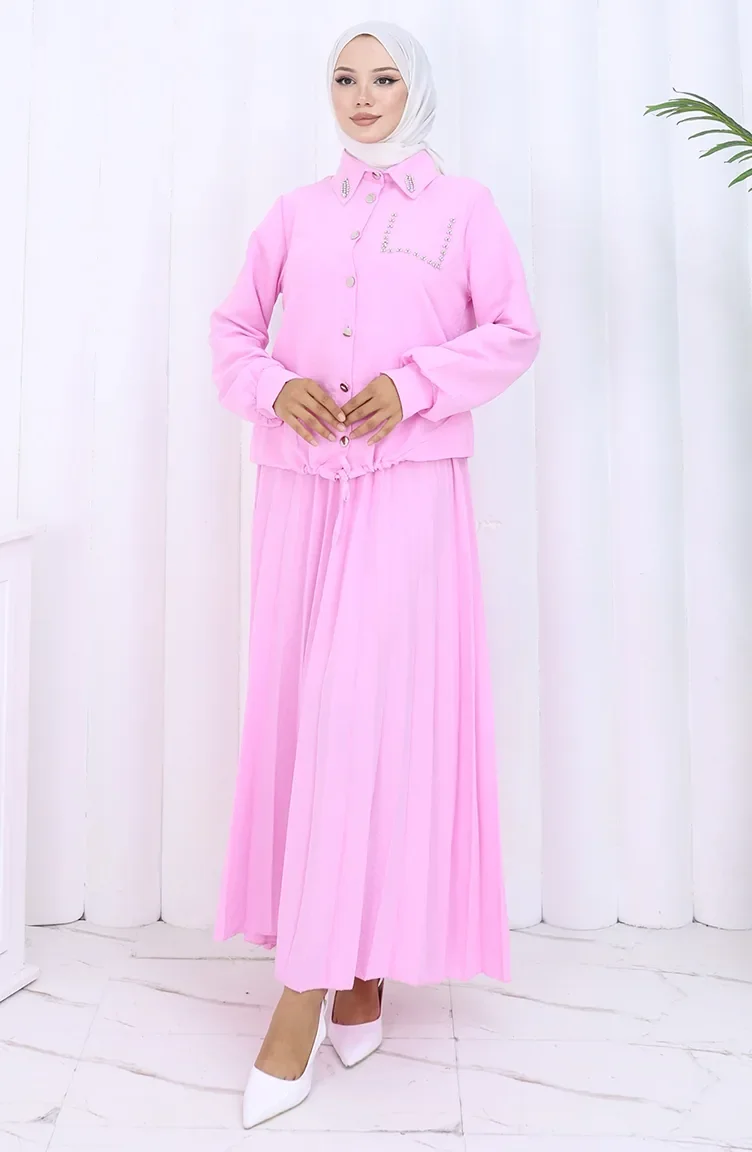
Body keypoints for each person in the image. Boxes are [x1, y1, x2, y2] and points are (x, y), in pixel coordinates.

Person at [209, 19, 540, 1129]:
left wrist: (418, 381)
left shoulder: (464, 209)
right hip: (302, 495)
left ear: (415, 88)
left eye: (383, 77)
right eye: (345, 78)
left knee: (368, 720)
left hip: (407, 495)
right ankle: (354, 969)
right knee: (310, 721)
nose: (362, 95)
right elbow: (230, 330)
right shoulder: (295, 213)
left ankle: (302, 995)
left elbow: (513, 331)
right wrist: (273, 386)